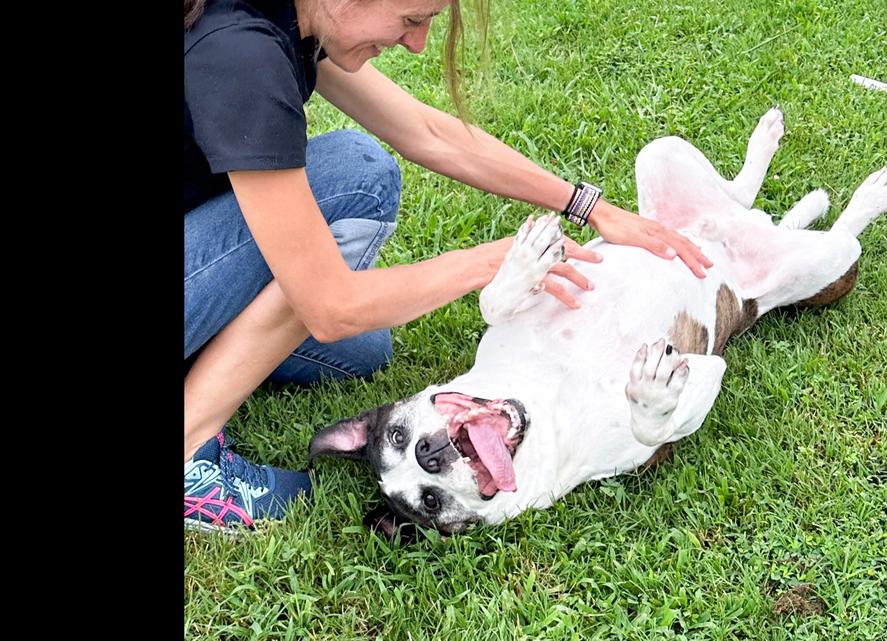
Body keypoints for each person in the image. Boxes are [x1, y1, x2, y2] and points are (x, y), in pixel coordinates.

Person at [183, 0, 712, 531]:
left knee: (364, 350)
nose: (416, 42)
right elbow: (331, 308)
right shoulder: (241, 52)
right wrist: (487, 261)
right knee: (356, 175)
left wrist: (587, 206)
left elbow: (425, 133)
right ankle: (190, 458)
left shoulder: (296, 19)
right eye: (413, 19)